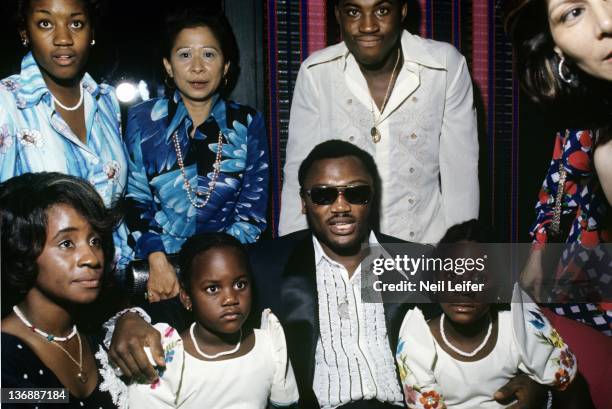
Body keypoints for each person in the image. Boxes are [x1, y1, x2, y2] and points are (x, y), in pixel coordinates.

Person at [107, 141, 545, 409]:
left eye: (355, 193)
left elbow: (502, 305)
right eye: (323, 195)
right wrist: (129, 319)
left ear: (371, 199)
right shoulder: (266, 263)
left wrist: (535, 382)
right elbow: (187, 294)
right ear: (304, 202)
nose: (340, 206)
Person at [279, 0, 479, 244]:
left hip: (426, 250)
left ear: (402, 11)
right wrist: (292, 263)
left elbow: (461, 177)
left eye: (382, 10)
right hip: (345, 253)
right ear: (338, 15)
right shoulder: (316, 73)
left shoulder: (445, 66)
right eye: (353, 12)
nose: (368, 26)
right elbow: (298, 177)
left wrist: (462, 261)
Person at [124, 7, 269, 303]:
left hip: (225, 278)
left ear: (226, 65)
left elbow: (251, 214)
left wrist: (208, 272)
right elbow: (135, 201)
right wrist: (158, 260)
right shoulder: (142, 119)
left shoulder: (247, 123)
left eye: (209, 55)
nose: (198, 67)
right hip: (159, 276)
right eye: (185, 55)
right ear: (168, 65)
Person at [396, 220, 591, 409]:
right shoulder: (417, 340)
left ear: (500, 286)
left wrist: (542, 397)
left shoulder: (521, 327)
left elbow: (572, 389)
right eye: (451, 275)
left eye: (479, 277)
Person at [503, 0, 612, 335]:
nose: (606, 21)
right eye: (573, 12)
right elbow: (560, 179)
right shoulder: (587, 114)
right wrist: (538, 252)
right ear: (556, 48)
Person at [96, 233, 298, 408]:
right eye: (213, 288)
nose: (230, 299)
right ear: (186, 297)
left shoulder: (270, 344)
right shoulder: (165, 356)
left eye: (240, 284)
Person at [0, 0, 132, 268]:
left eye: (76, 23)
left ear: (92, 32)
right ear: (25, 32)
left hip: (114, 286)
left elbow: (119, 214)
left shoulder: (106, 102)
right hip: (37, 295)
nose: (63, 38)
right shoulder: (7, 103)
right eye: (45, 23)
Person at [1, 172, 119, 408]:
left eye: (95, 241)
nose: (91, 259)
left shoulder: (100, 335)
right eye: (67, 243)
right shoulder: (6, 358)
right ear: (22, 249)